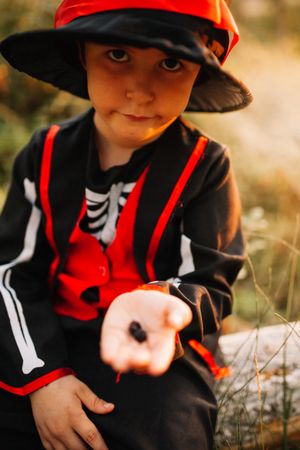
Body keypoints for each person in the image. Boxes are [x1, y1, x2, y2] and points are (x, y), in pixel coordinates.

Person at [0, 1, 252, 449]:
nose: (141, 90)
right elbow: (12, 272)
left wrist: (167, 305)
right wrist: (43, 378)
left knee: (167, 432)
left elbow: (211, 283)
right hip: (45, 334)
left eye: (171, 63)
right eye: (117, 55)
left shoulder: (206, 166)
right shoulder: (44, 154)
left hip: (152, 351)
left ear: (198, 70)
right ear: (82, 52)